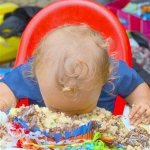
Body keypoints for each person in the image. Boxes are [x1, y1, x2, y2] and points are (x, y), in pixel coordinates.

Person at [0, 25, 150, 126]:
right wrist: (5, 100)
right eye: (56, 110)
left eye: (80, 112)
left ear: (105, 78)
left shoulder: (114, 72)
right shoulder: (32, 74)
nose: (70, 121)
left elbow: (136, 87)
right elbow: (8, 87)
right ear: (36, 77)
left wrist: (143, 103)